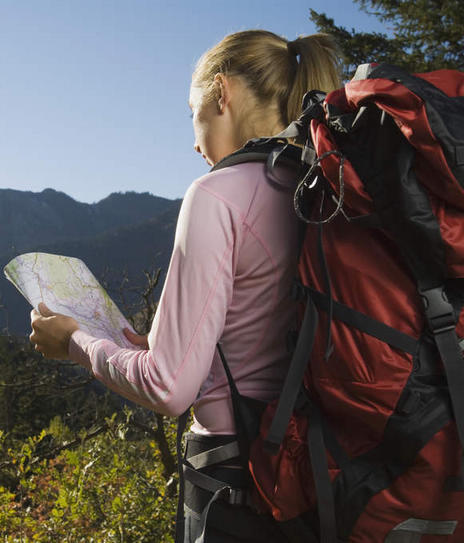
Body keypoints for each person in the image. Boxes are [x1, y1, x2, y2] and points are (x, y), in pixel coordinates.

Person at [29, 29, 341, 542]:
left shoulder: (218, 195)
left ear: (223, 92)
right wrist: (149, 344)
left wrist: (77, 343)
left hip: (236, 480)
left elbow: (168, 387)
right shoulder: (317, 183)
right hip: (314, 468)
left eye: (192, 113)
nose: (193, 142)